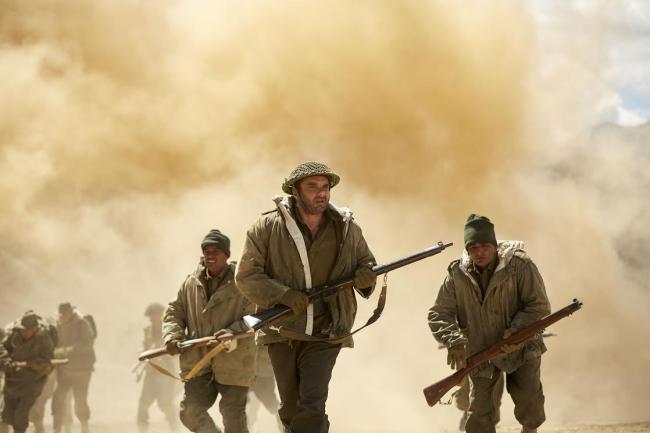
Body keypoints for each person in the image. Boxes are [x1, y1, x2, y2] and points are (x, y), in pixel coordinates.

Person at [236, 161, 377, 433]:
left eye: (325, 187)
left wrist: (366, 277)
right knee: (291, 410)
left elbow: (366, 263)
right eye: (312, 187)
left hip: (327, 331)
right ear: (295, 191)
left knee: (312, 405)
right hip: (283, 331)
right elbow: (247, 276)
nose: (321, 193)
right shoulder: (266, 227)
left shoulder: (347, 228)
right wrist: (284, 295)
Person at [428, 214, 551, 433]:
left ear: (494, 246)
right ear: (467, 250)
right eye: (473, 248)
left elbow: (538, 305)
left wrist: (516, 332)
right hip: (480, 350)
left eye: (485, 246)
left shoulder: (520, 265)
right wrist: (453, 339)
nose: (480, 252)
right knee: (479, 417)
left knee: (530, 404)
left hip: (521, 347)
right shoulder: (457, 274)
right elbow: (439, 312)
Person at [163, 229, 257, 433]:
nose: (210, 255)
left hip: (235, 362)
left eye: (216, 251)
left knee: (232, 416)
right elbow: (174, 312)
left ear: (227, 254)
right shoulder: (190, 283)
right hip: (199, 362)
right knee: (189, 412)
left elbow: (256, 316)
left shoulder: (243, 282)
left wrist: (232, 332)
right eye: (207, 251)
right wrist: (172, 336)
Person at [0, 311, 55, 433]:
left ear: (35, 329)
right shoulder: (14, 335)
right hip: (12, 381)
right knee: (6, 416)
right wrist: (5, 360)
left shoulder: (44, 339)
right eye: (23, 329)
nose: (24, 332)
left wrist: (37, 364)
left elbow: (48, 362)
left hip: (33, 382)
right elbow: (2, 348)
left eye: (28, 330)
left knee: (20, 415)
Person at [52, 303, 96, 433]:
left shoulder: (82, 324)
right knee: (58, 398)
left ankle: (84, 426)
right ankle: (57, 428)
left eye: (65, 314)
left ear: (71, 312)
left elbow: (87, 343)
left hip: (82, 369)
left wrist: (67, 350)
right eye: (61, 314)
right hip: (64, 368)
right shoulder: (58, 325)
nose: (63, 316)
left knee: (80, 400)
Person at [137, 302, 178, 432]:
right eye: (151, 315)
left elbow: (174, 350)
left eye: (156, 314)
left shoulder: (168, 329)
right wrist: (143, 353)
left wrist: (162, 354)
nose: (153, 317)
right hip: (151, 371)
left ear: (160, 315)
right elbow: (145, 348)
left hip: (165, 371)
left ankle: (175, 429)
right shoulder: (147, 331)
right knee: (143, 404)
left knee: (165, 403)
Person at [247, 345, 282, 433]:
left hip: (263, 376)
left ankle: (284, 428)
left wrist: (254, 350)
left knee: (273, 406)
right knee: (244, 406)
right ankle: (247, 428)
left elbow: (271, 351)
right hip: (247, 374)